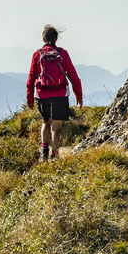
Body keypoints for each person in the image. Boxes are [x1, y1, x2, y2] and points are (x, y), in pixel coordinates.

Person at [26, 25, 83, 161]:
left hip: (42, 93)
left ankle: (44, 151)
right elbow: (73, 76)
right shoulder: (62, 53)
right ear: (56, 38)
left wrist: (30, 98)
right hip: (60, 93)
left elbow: (31, 77)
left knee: (46, 122)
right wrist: (78, 95)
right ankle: (54, 154)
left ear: (43, 38)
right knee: (56, 125)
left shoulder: (38, 54)